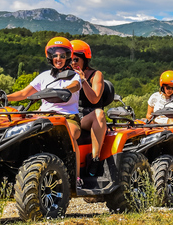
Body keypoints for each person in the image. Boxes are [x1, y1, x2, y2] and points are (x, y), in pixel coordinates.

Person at [7, 37, 83, 185]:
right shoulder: (44, 76)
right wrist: (3, 97)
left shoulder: (74, 76)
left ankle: (77, 177)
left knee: (70, 135)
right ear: (50, 57)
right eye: (55, 55)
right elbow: (24, 93)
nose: (58, 58)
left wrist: (61, 90)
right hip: (43, 117)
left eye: (63, 55)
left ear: (69, 57)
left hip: (67, 117)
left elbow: (75, 86)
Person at [70, 40, 107, 176]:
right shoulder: (65, 75)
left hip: (88, 116)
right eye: (70, 59)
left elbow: (95, 98)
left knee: (99, 113)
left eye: (76, 59)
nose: (73, 63)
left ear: (84, 59)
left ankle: (95, 159)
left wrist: (83, 80)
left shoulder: (96, 75)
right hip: (70, 114)